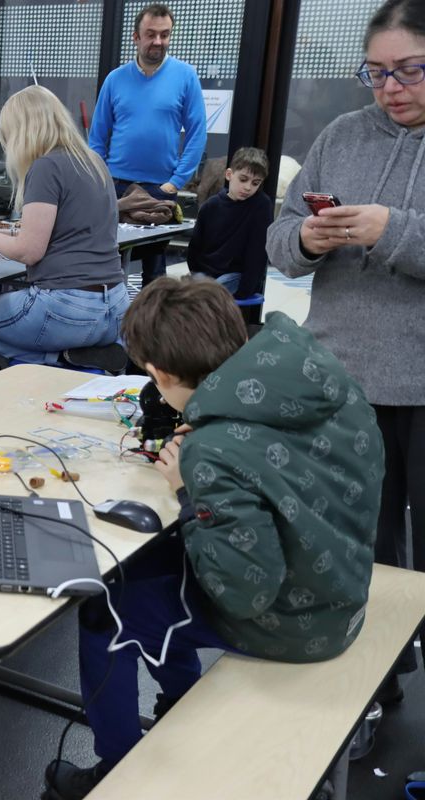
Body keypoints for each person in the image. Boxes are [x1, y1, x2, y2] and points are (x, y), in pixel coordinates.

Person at [43, 277, 383, 799]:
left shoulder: (214, 452)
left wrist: (189, 489)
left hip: (297, 621)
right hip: (343, 579)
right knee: (160, 568)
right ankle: (178, 702)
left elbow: (242, 594)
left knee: (107, 609)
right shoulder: (317, 372)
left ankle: (116, 767)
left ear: (159, 373)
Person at [266, 0, 425, 700]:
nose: (391, 87)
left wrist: (392, 229)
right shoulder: (342, 135)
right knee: (356, 552)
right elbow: (277, 238)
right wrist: (304, 241)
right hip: (343, 382)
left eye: (410, 70)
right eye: (377, 73)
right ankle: (371, 691)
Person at [0, 86, 127, 365]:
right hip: (116, 309)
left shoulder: (46, 167)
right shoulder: (94, 161)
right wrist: (7, 232)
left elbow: (28, 251)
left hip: (68, 309)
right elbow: (68, 227)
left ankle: (60, 359)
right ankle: (77, 356)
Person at [89, 3, 207, 285]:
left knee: (154, 271)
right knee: (109, 263)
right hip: (116, 185)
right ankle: (111, 325)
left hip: (160, 189)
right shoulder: (115, 79)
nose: (158, 41)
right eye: (151, 34)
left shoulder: (185, 76)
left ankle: (151, 328)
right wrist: (101, 178)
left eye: (165, 35)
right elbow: (96, 137)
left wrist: (176, 182)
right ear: (136, 37)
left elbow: (197, 133)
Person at [187, 147, 274, 298]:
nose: (248, 187)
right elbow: (195, 247)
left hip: (236, 276)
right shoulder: (211, 206)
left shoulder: (261, 205)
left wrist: (244, 291)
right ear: (229, 174)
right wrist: (196, 275)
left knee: (204, 296)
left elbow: (258, 253)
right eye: (243, 179)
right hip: (206, 274)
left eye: (255, 183)